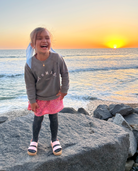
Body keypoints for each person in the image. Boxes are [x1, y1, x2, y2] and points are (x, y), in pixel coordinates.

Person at [24, 27, 69, 156]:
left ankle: (54, 140)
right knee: (37, 119)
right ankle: (34, 140)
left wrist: (64, 89)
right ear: (33, 45)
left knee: (54, 118)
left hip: (54, 97)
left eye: (47, 38)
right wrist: (32, 101)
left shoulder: (57, 58)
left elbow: (65, 74)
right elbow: (30, 84)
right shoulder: (30, 64)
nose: (44, 40)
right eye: (39, 38)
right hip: (39, 98)